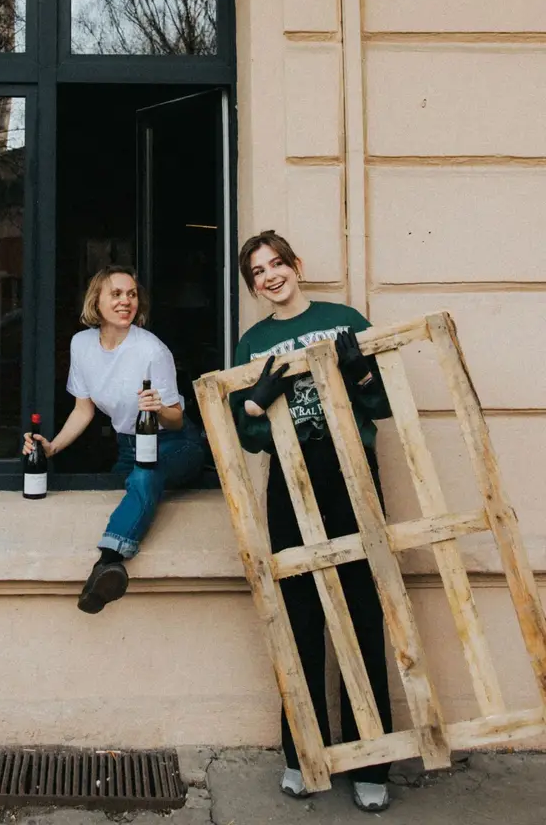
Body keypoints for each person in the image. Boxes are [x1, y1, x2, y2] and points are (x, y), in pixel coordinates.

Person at [230, 230, 393, 814]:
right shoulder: (253, 342)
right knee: (299, 616)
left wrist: (365, 376)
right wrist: (255, 400)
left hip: (353, 472)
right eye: (258, 271)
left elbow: (387, 405)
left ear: (297, 265)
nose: (271, 275)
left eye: (277, 263)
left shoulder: (344, 317)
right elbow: (247, 436)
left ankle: (371, 760)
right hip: (290, 482)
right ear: (252, 286)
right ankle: (303, 753)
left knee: (361, 610)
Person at [23, 264, 205, 615]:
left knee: (144, 476)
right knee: (135, 479)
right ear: (98, 301)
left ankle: (107, 562)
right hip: (128, 444)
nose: (126, 301)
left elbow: (176, 416)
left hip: (176, 442)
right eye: (117, 294)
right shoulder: (82, 345)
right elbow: (83, 410)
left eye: (132, 294)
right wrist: (53, 447)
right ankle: (106, 568)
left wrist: (158, 407)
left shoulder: (152, 350)